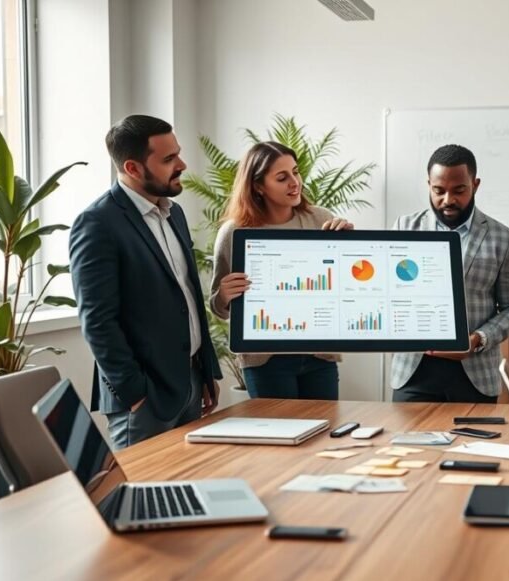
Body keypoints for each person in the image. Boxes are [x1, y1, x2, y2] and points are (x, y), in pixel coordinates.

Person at [70, 115, 223, 450]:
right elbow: (97, 321)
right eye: (169, 159)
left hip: (191, 384)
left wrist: (206, 370)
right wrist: (134, 393)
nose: (182, 164)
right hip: (144, 400)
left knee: (187, 492)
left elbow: (188, 295)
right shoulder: (97, 223)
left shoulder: (175, 213)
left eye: (178, 154)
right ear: (134, 168)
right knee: (141, 497)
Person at [210, 141, 353, 400]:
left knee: (324, 432)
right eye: (282, 177)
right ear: (258, 186)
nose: (294, 182)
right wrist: (223, 295)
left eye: (296, 172)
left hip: (319, 355)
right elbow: (218, 308)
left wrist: (349, 247)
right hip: (266, 361)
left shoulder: (320, 219)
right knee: (277, 434)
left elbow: (344, 286)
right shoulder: (234, 232)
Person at [391, 144, 509, 403]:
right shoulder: (404, 227)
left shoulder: (504, 238)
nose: (448, 200)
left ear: (475, 185)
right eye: (438, 191)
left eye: (459, 190)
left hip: (475, 376)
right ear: (428, 184)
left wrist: (477, 340)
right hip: (412, 372)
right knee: (405, 445)